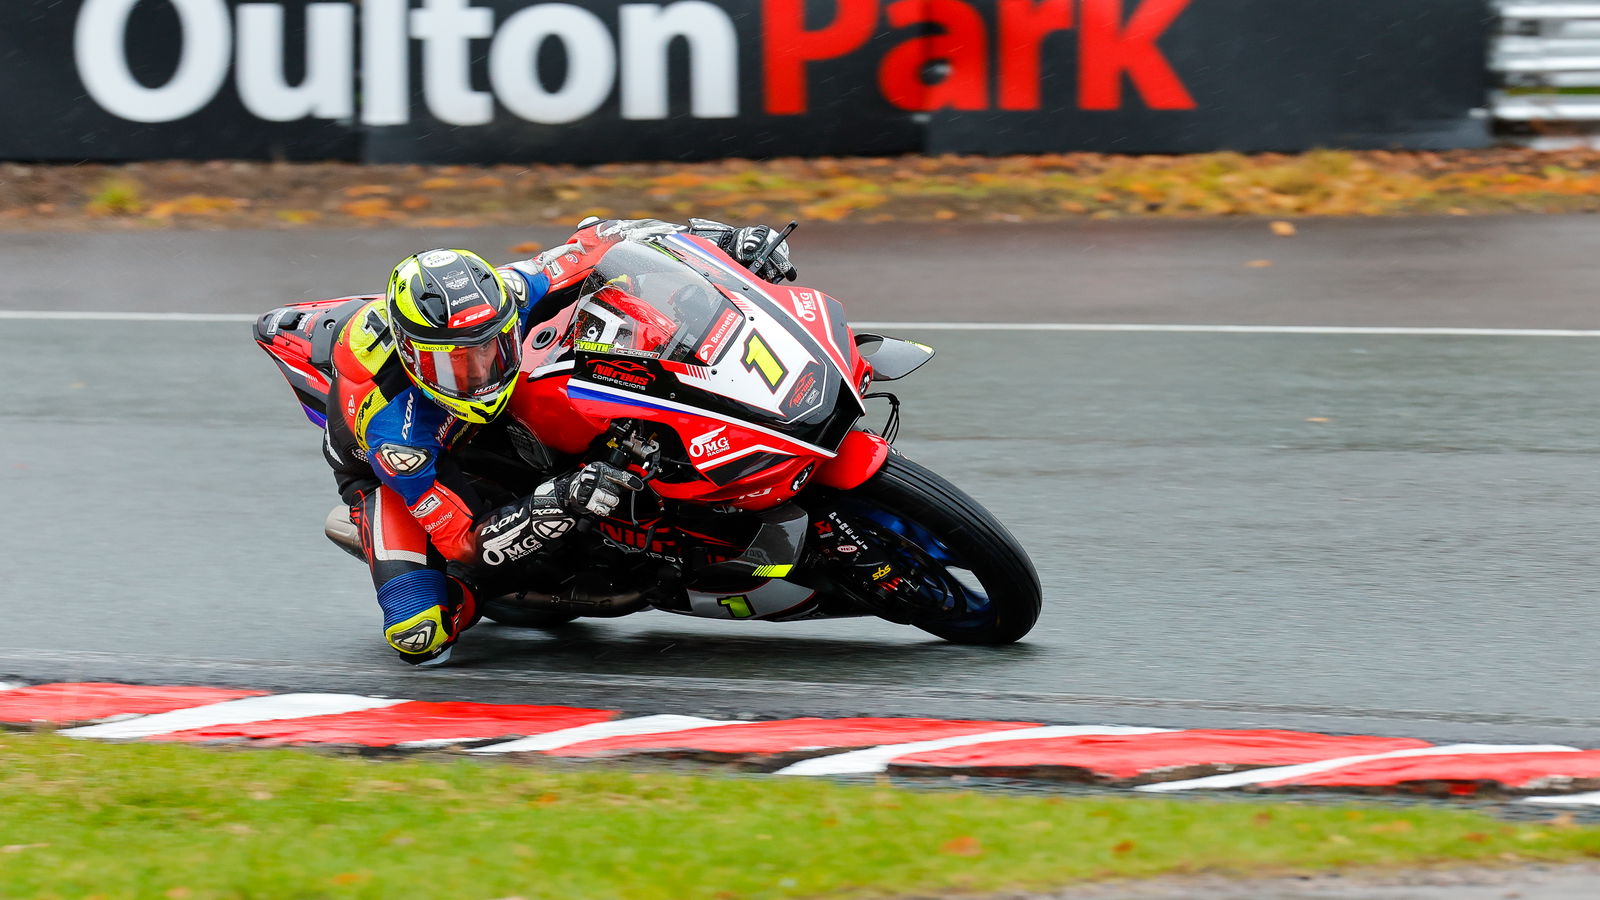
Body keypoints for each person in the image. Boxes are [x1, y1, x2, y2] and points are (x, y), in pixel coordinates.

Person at [322, 218, 797, 665]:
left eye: (492, 348)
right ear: (413, 357)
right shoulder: (398, 437)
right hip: (394, 475)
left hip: (485, 419)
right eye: (455, 364)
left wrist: (723, 242)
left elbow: (604, 240)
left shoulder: (509, 291)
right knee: (419, 632)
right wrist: (559, 500)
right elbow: (466, 541)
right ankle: (465, 585)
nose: (481, 373)